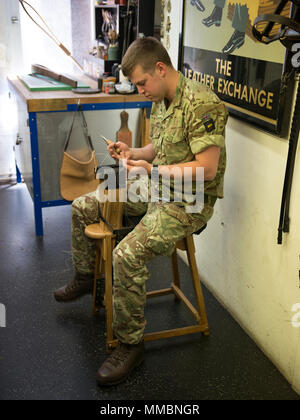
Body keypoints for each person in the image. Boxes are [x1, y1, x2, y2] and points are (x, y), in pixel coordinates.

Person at [54, 37, 228, 386]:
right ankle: (89, 278)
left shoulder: (202, 104)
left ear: (160, 69)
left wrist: (150, 172)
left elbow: (206, 170)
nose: (140, 90)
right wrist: (133, 152)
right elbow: (159, 149)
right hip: (158, 187)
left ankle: (131, 345)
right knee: (84, 206)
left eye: (141, 83)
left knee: (125, 255)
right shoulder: (160, 99)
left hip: (188, 201)